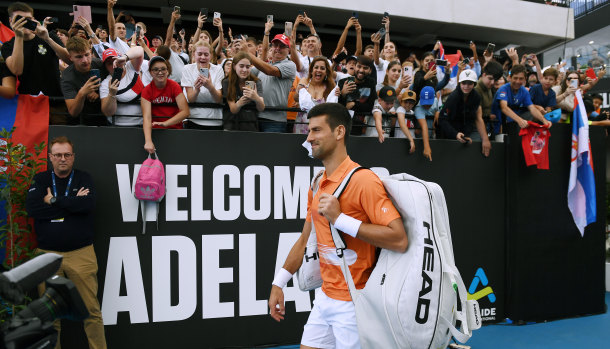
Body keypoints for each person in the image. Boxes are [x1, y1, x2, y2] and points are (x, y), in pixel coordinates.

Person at [268, 102, 407, 348]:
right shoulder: (318, 183)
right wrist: (279, 283)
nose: (309, 137)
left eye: (317, 130)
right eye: (309, 131)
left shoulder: (364, 180)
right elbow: (304, 240)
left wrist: (341, 220)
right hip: (325, 297)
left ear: (339, 132)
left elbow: (398, 239)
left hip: (356, 302)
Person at [25, 136, 107, 349]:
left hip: (81, 254)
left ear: (73, 157)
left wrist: (53, 200)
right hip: (47, 257)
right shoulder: (41, 179)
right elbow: (34, 210)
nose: (63, 159)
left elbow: (87, 205)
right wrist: (72, 203)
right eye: (58, 155)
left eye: (67, 155)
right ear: (50, 157)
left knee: (91, 312)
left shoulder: (83, 178)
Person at [2, 1, 70, 97]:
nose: (24, 23)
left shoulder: (49, 36)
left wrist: (47, 39)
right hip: (28, 103)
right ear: (10, 21)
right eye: (19, 19)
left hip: (55, 100)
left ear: (33, 19)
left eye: (28, 19)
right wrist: (19, 36)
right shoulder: (8, 46)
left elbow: (69, 59)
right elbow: (17, 70)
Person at [249, 33, 297, 132]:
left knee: (270, 147)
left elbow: (270, 71)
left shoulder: (290, 65)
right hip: (255, 116)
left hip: (275, 120)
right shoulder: (264, 65)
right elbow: (248, 77)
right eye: (275, 45)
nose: (278, 48)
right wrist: (249, 92)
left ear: (288, 50)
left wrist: (247, 53)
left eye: (282, 46)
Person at [437, 69, 492, 157]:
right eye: (464, 83)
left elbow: (475, 118)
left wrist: (484, 139)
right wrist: (455, 134)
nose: (466, 86)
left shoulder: (476, 97)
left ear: (474, 84)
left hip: (465, 133)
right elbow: (442, 119)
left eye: (470, 83)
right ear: (460, 83)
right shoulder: (453, 97)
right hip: (448, 134)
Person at [141, 56, 190, 153]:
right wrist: (148, 141)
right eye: (155, 70)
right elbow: (146, 118)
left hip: (175, 131)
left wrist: (166, 123)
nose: (160, 72)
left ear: (167, 71)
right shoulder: (147, 91)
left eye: (163, 69)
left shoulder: (174, 86)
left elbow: (185, 112)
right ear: (150, 72)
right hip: (156, 132)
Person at [61, 36, 107, 126]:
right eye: (79, 57)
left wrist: (100, 93)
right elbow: (73, 112)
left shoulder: (101, 65)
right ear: (70, 58)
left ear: (90, 52)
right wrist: (82, 93)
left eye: (87, 55)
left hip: (102, 120)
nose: (85, 60)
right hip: (77, 123)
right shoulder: (67, 76)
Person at [492, 64, 551, 130]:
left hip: (513, 122)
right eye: (515, 78)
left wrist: (544, 120)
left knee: (536, 115)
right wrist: (520, 120)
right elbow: (504, 108)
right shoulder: (503, 89)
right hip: (498, 122)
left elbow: (532, 108)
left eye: (521, 79)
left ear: (525, 79)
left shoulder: (524, 91)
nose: (517, 81)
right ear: (510, 78)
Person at [100, 46, 147, 126]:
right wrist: (111, 94)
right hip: (118, 125)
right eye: (109, 64)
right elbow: (108, 112)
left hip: (141, 123)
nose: (113, 65)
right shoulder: (105, 83)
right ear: (105, 67)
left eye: (115, 61)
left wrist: (125, 57)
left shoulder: (131, 67)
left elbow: (140, 50)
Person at [181, 41, 224, 129]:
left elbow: (218, 99)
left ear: (211, 55)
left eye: (206, 54)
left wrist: (210, 87)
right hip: (194, 119)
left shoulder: (218, 69)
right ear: (194, 54)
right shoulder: (187, 69)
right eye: (199, 54)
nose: (203, 57)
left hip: (215, 120)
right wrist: (197, 89)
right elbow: (191, 99)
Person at [294, 56, 338, 134]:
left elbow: (333, 107)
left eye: (322, 68)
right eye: (316, 67)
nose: (318, 70)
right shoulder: (305, 81)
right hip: (302, 126)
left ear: (326, 72)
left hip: (320, 129)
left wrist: (339, 94)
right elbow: (296, 99)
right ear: (311, 70)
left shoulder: (330, 87)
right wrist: (298, 91)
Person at [222, 51, 265, 131]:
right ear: (234, 66)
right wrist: (240, 102)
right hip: (231, 126)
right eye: (241, 66)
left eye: (248, 67)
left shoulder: (256, 82)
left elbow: (261, 108)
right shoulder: (227, 82)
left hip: (250, 126)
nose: (244, 70)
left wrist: (256, 98)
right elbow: (233, 109)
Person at [337, 55, 378, 134]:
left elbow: (370, 106)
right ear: (355, 67)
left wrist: (353, 104)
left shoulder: (371, 83)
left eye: (365, 68)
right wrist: (343, 94)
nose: (361, 70)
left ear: (370, 70)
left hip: (360, 127)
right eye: (359, 66)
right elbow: (338, 107)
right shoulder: (343, 82)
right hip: (342, 124)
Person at [474, 61, 503, 136]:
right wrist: (485, 139)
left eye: (495, 80)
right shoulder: (476, 90)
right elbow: (477, 118)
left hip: (487, 126)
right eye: (490, 78)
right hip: (475, 129)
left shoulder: (488, 87)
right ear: (484, 75)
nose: (492, 82)